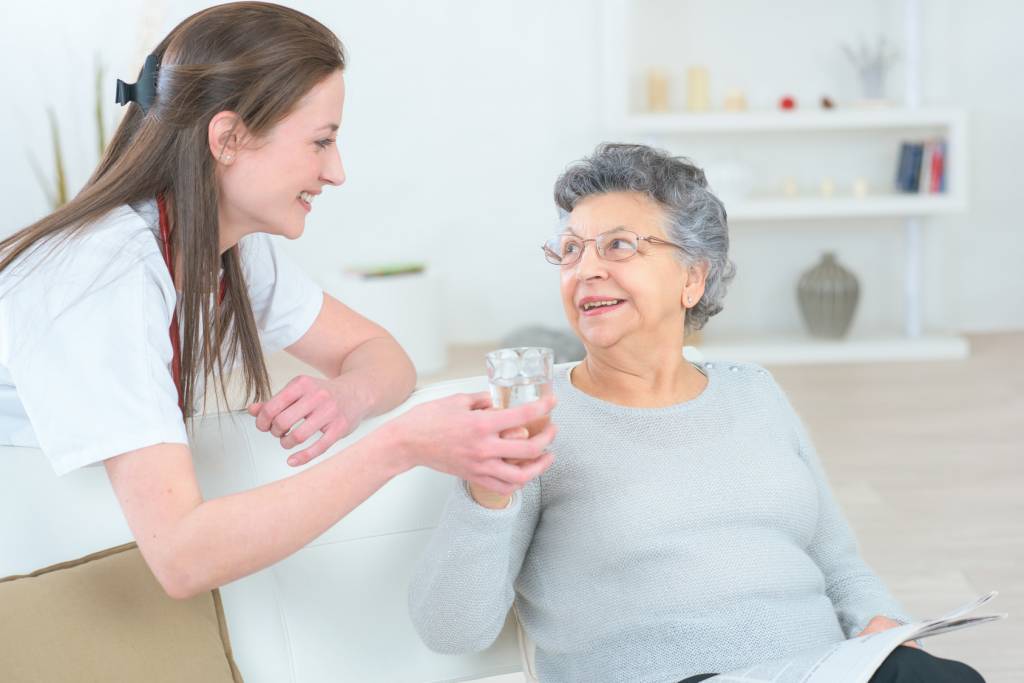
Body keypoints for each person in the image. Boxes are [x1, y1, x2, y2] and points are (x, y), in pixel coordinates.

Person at [0, 2, 555, 600]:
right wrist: (400, 445)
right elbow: (182, 558)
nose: (337, 172)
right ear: (229, 138)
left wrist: (347, 396)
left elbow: (379, 353)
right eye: (321, 142)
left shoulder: (225, 244)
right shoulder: (101, 277)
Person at [408, 143, 984, 682]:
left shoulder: (754, 391)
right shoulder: (531, 420)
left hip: (821, 667)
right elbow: (453, 630)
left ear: (693, 277)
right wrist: (489, 491)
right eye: (571, 249)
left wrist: (881, 627)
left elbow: (839, 563)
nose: (586, 269)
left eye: (619, 245)